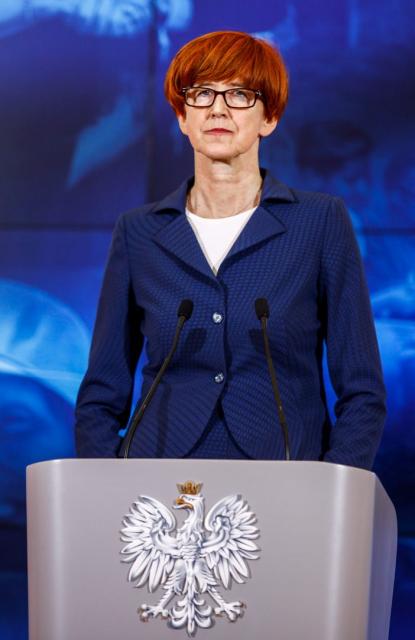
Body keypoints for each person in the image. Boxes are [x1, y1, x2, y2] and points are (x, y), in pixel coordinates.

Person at [75, 30, 386, 469]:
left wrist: (336, 486)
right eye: (201, 93)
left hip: (285, 476)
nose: (218, 109)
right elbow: (101, 391)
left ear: (269, 117)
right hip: (158, 478)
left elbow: (363, 390)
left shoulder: (319, 222)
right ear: (182, 116)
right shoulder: (139, 231)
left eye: (239, 94)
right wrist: (106, 480)